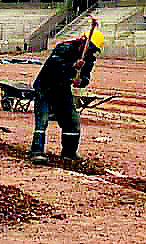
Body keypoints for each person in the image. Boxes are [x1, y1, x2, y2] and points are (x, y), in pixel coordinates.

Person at [29, 22, 104, 164]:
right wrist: (72, 66)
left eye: (93, 50)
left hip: (62, 89)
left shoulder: (89, 58)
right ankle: (37, 151)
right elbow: (53, 69)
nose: (91, 52)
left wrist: (80, 81)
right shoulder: (63, 48)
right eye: (90, 48)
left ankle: (69, 153)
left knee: (72, 120)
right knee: (42, 121)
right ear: (83, 42)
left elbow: (86, 77)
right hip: (45, 87)